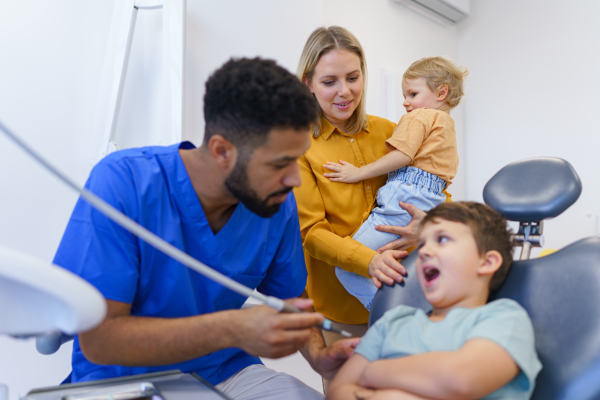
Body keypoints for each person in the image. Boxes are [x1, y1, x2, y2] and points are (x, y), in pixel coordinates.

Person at [53, 57, 359, 400]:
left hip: (225, 373)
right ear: (221, 150)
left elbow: (290, 299)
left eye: (298, 158)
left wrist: (318, 355)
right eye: (279, 164)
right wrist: (233, 328)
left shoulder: (276, 203)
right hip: (121, 380)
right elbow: (100, 341)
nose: (294, 179)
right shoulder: (123, 182)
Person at [327, 202, 542, 400]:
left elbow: (461, 380)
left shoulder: (504, 319)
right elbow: (338, 391)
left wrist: (373, 373)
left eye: (442, 239)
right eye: (421, 245)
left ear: (487, 262)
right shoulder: (392, 323)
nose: (425, 252)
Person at [295, 26, 415, 346]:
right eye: (329, 82)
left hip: (408, 293)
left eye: (352, 77)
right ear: (308, 83)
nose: (345, 91)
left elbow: (431, 190)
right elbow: (312, 233)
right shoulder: (297, 147)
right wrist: (369, 261)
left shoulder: (392, 132)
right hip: (342, 309)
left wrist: (427, 225)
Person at [326, 56, 468, 311]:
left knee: (347, 268)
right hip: (429, 202)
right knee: (393, 267)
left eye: (412, 93)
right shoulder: (448, 127)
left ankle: (396, 316)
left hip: (405, 199)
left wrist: (358, 173)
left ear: (441, 92)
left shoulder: (421, 116)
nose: (406, 102)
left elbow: (402, 156)